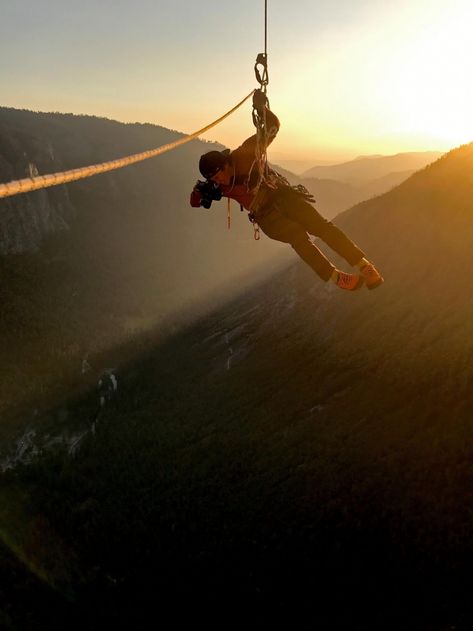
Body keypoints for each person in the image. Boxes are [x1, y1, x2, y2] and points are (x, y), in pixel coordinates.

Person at [190, 93, 383, 291]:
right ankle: (335, 277)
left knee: (322, 227)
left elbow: (273, 127)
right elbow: (194, 202)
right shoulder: (217, 186)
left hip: (282, 196)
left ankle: (365, 266)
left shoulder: (246, 153)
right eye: (212, 179)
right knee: (299, 239)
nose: (218, 180)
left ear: (226, 164)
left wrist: (262, 109)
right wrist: (200, 192)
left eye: (218, 174)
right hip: (266, 216)